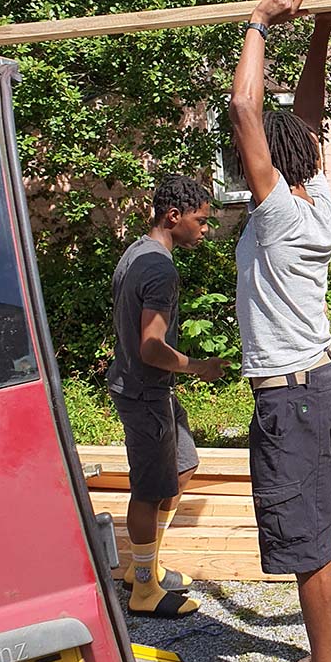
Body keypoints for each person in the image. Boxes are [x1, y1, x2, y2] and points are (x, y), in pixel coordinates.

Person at [229, 0, 331, 662]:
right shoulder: (316, 199)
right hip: (322, 380)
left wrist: (258, 24)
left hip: (291, 396)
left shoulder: (281, 209)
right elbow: (303, 120)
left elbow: (248, 111)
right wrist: (318, 31)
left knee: (304, 537)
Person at [107, 176, 229, 618]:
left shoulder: (137, 252)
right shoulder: (160, 269)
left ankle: (147, 564)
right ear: (173, 216)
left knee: (183, 465)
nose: (205, 228)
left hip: (145, 388)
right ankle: (142, 589)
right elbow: (152, 347)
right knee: (147, 490)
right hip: (144, 392)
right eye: (200, 220)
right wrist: (200, 367)